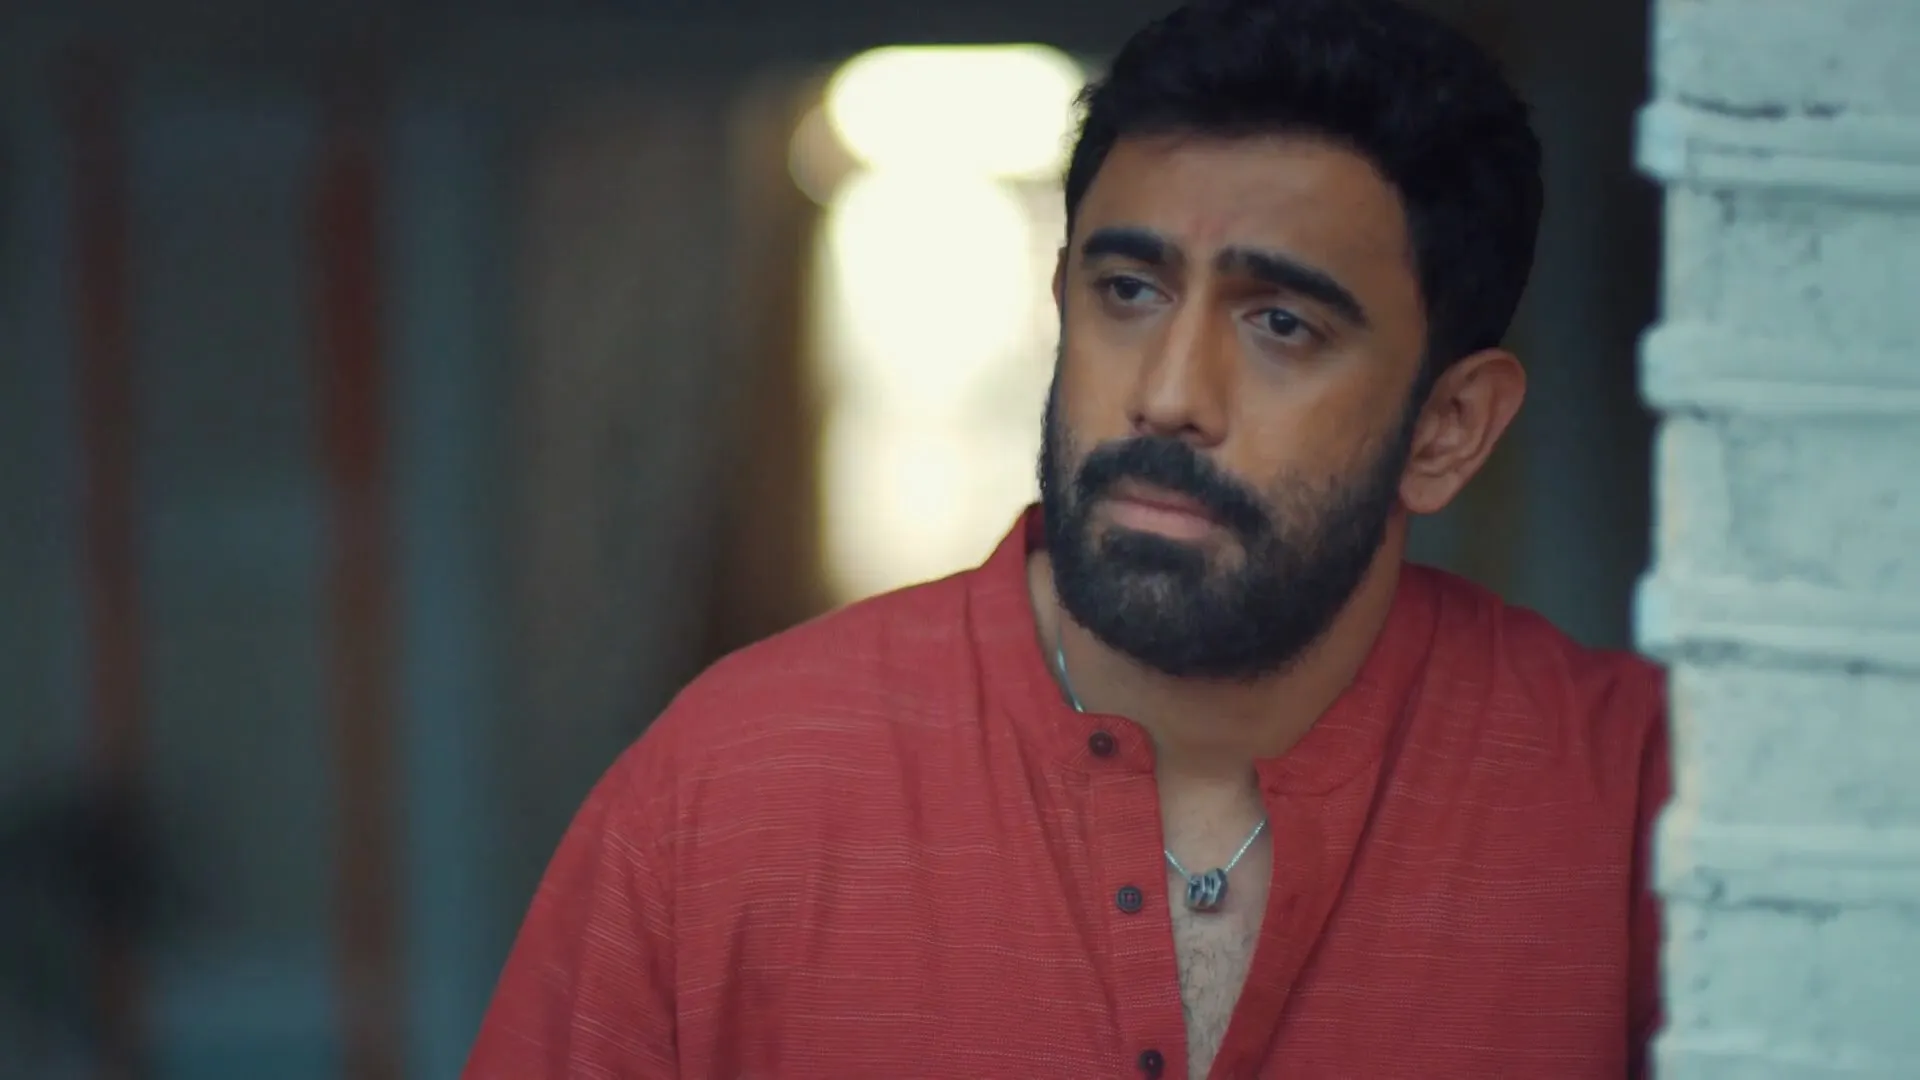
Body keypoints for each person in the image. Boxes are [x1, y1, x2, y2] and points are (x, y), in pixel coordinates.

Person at [463, 0, 1668, 1076]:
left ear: (1449, 431)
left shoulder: (1638, 808)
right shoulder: (728, 790)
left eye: (1282, 324)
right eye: (1129, 292)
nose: (1168, 394)